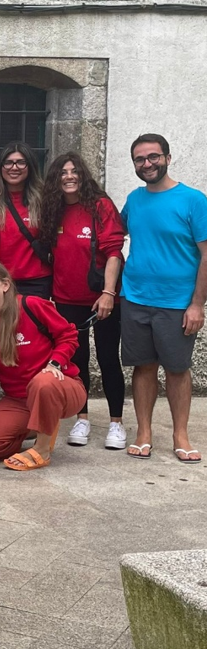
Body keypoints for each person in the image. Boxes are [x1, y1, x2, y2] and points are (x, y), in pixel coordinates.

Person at [120, 134, 207, 462]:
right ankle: (144, 431)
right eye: (140, 160)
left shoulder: (193, 200)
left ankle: (180, 434)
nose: (147, 164)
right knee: (143, 367)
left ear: (168, 158)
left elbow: (206, 255)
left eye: (153, 157)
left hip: (177, 303)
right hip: (135, 298)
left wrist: (197, 304)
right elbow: (118, 233)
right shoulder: (134, 199)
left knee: (176, 368)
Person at [39, 151, 127, 450]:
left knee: (107, 358)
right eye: (62, 172)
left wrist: (109, 293)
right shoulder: (54, 209)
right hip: (65, 299)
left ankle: (116, 423)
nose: (69, 176)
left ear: (83, 175)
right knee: (76, 361)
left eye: (74, 171)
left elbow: (114, 251)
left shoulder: (99, 206)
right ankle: (83, 416)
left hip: (102, 299)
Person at [0, 261, 86, 470]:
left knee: (43, 382)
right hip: (18, 400)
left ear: (5, 285)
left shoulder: (31, 305)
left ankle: (43, 450)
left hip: (61, 387)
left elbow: (68, 335)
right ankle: (37, 426)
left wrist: (55, 363)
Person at [0, 142, 52, 298]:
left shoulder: (44, 199)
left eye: (21, 162)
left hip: (37, 281)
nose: (14, 168)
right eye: (8, 162)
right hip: (1, 280)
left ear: (30, 167)